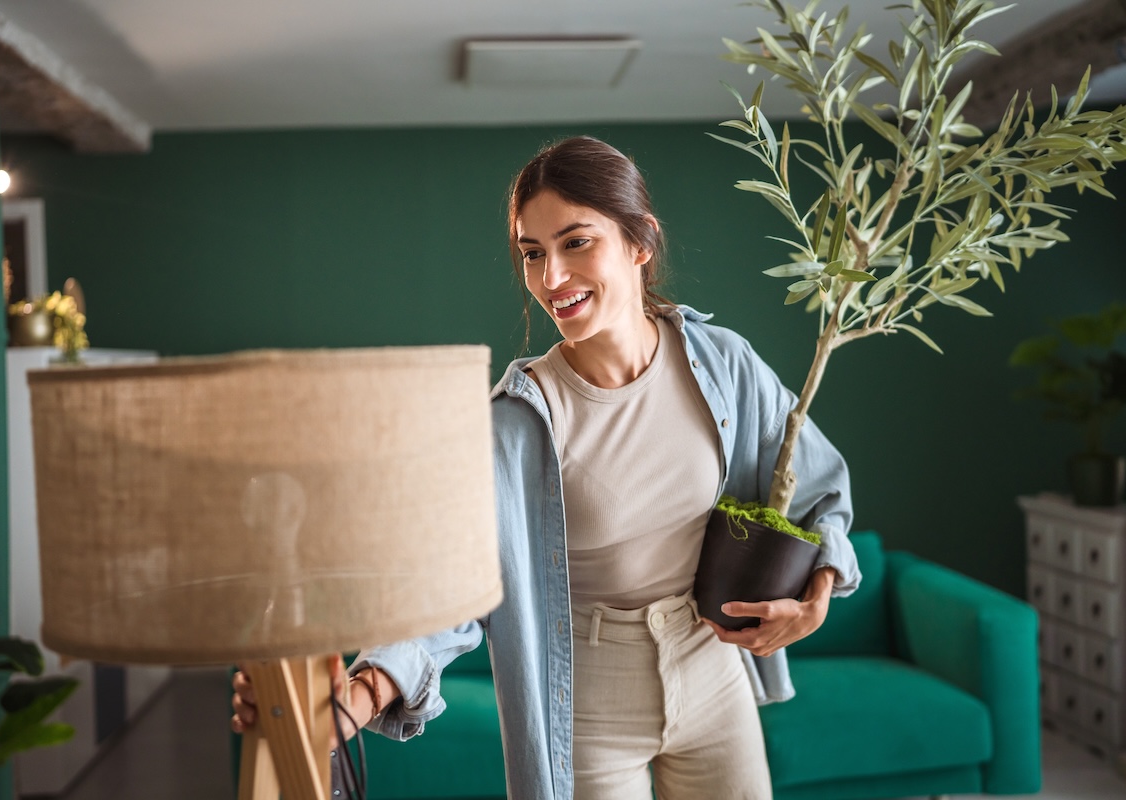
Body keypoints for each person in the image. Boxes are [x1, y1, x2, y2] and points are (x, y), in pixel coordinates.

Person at [233, 135, 860, 800]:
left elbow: (818, 483)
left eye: (576, 242)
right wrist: (360, 694)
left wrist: (818, 593)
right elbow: (454, 586)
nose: (551, 277)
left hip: (713, 675)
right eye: (533, 254)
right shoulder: (516, 421)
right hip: (588, 700)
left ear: (640, 241)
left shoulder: (723, 362)